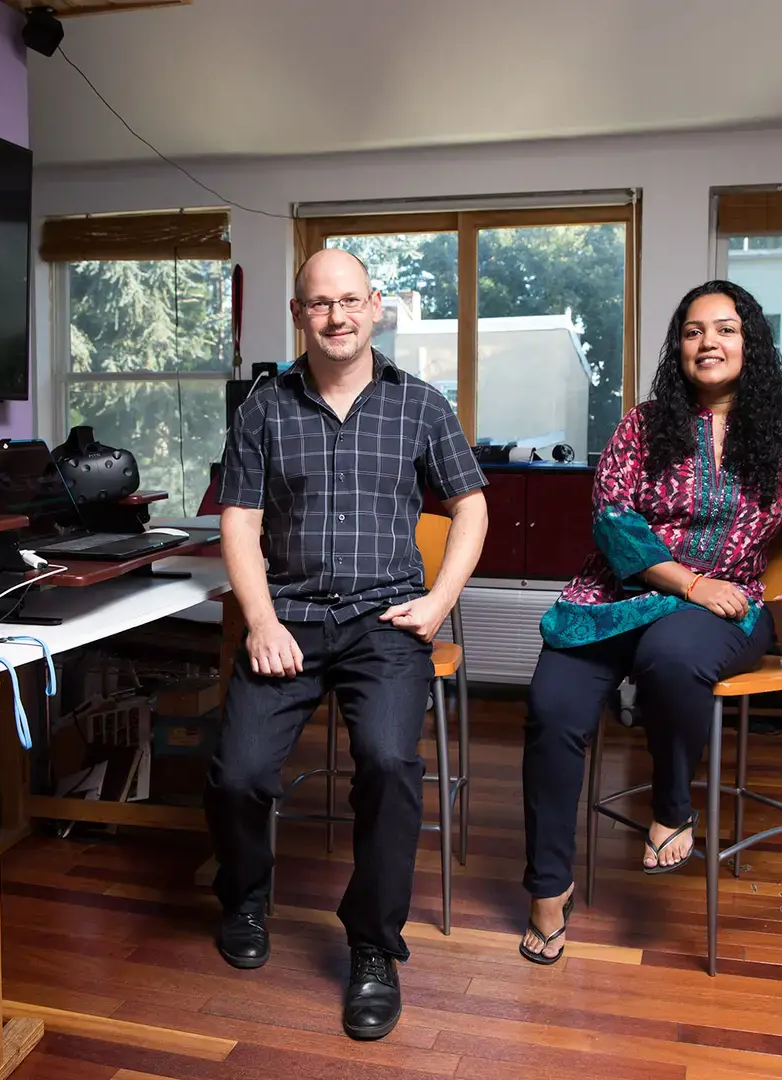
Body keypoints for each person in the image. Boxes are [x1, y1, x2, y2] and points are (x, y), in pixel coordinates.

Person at [517, 280, 782, 965]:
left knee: (672, 659)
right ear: (679, 348)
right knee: (552, 709)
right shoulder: (642, 424)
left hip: (730, 605)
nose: (709, 342)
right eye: (694, 331)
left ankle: (673, 805)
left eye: (725, 329)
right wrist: (687, 583)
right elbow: (612, 518)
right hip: (616, 597)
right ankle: (548, 889)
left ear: (751, 342)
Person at [206, 248, 488, 1040]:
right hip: (289, 614)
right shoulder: (265, 406)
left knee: (391, 764)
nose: (337, 316)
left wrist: (440, 600)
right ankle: (247, 899)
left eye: (351, 301)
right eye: (320, 304)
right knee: (238, 774)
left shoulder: (421, 405)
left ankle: (372, 945)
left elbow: (470, 508)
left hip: (383, 620)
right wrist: (260, 621)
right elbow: (240, 520)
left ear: (376, 308)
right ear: (300, 315)